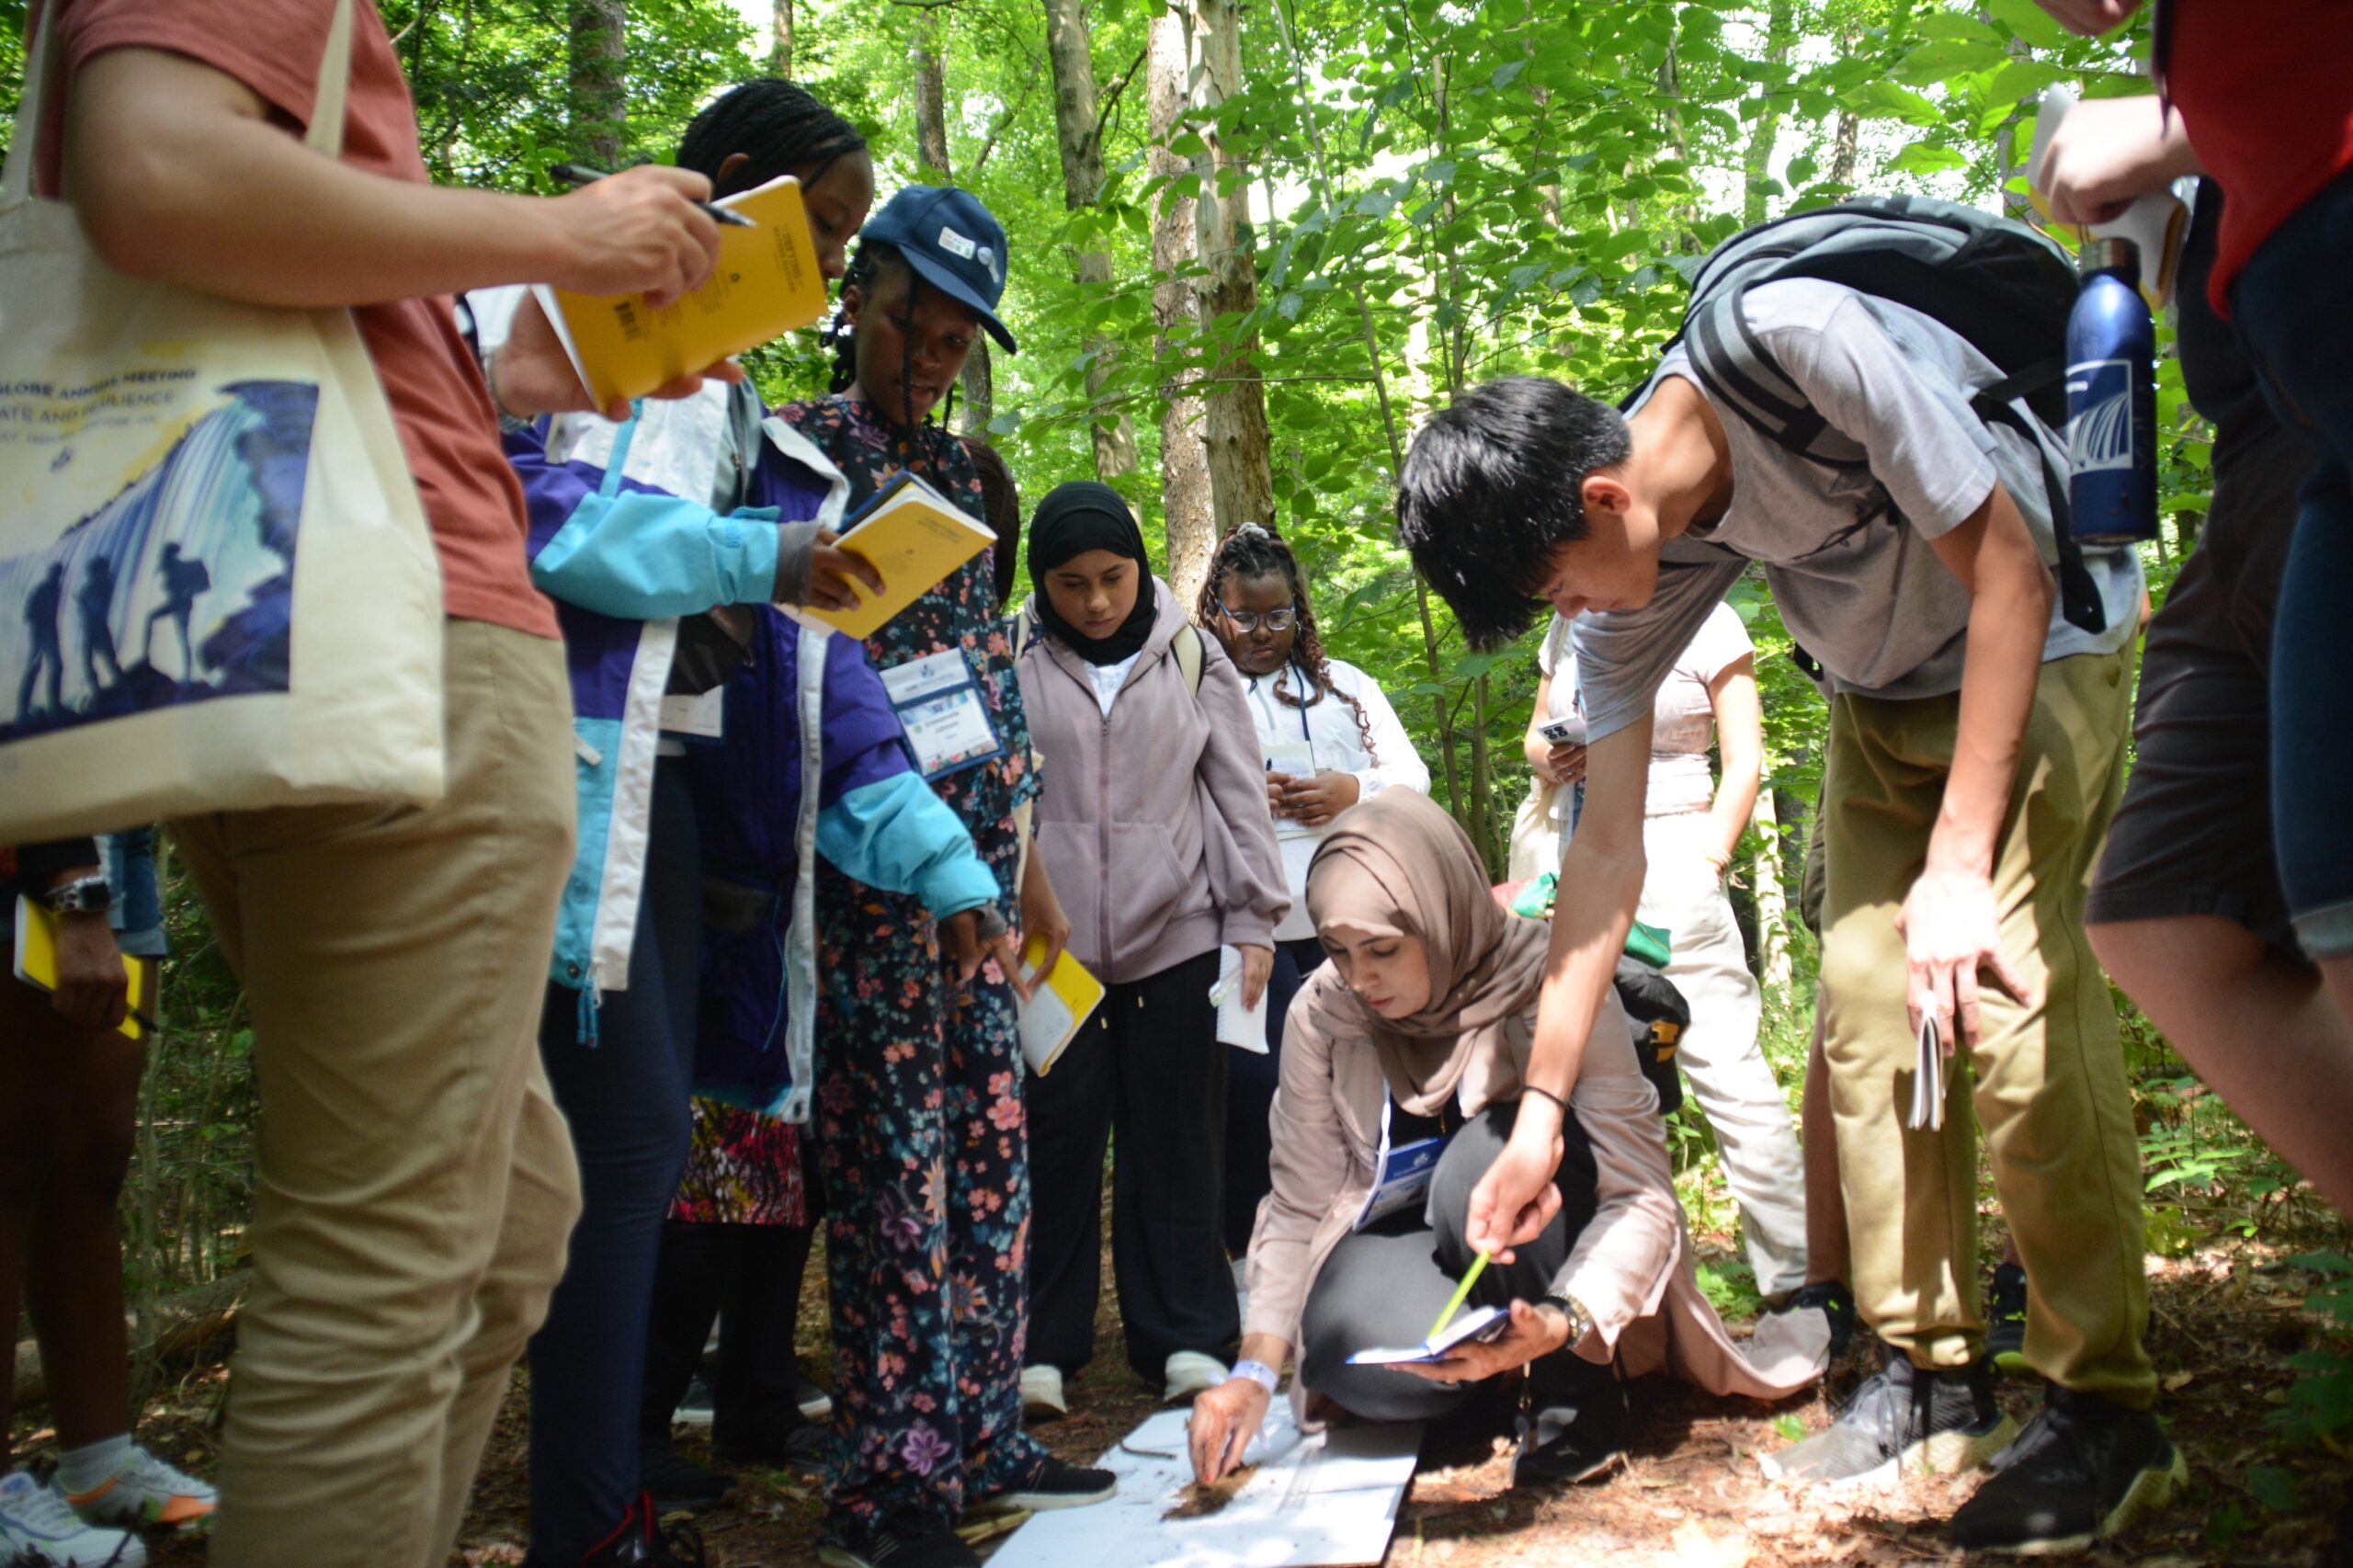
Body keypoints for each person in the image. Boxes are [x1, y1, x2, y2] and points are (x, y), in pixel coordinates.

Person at [40, 0, 740, 1562]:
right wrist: (559, 231)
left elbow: (277, 267)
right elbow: (154, 171)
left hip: (331, 610)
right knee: (388, 1267)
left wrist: (510, 365)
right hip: (401, 640)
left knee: (500, 1233)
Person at [1396, 330, 2165, 1550]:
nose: (1576, 619)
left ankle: (2103, 1403)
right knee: (1863, 1016)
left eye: (1559, 590)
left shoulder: (1801, 348)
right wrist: (1540, 1118)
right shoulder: (1631, 588)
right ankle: (1930, 1374)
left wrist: (1961, 868)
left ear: (1603, 499)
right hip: (1885, 690)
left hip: (2041, 632)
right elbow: (1600, 857)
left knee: (2007, 997)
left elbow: (2012, 571)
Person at [467, 80, 883, 1568]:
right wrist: (752, 558)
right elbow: (538, 515)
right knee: (499, 1176)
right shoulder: (552, 291)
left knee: (630, 1148)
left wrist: (712, 624)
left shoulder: (716, 384)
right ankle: (574, 1513)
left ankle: (597, 1510)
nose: (832, 277)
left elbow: (643, 590)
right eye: (823, 233)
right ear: (732, 186)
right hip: (514, 782)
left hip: (639, 806)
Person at [778, 187, 1108, 1568]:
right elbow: (789, 676)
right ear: (861, 292)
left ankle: (981, 1428)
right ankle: (888, 1479)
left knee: (990, 1154)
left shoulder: (981, 478)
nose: (939, 349)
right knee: (891, 1173)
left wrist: (1025, 868)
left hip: (985, 866)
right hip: (867, 879)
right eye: (921, 316)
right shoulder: (800, 456)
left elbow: (991, 683)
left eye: (965, 331)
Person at [1187, 790, 1819, 1492]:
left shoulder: (1554, 978)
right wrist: (1251, 1369)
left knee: (1481, 1165)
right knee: (1342, 1352)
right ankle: (1476, 1386)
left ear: (1441, 911)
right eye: (1338, 951)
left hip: (1561, 1249)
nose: (1360, 979)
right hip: (1424, 1248)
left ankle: (1575, 1384)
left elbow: (1642, 1192)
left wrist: (1562, 1319)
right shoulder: (1327, 1012)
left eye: (1384, 950)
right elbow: (1300, 1199)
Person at [2029, 49, 2353, 1216]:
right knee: (2159, 910)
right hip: (2254, 446)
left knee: (2342, 912)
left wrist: (2176, 126)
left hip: (2333, 417)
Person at [637, 592, 1046, 1512]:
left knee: (782, 1196)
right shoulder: (768, 531)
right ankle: (633, 1428)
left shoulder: (956, 629)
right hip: (758, 921)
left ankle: (756, 1392)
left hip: (818, 924)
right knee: (708, 1198)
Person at [1014, 481, 1290, 1409]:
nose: (1095, 600)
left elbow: (1236, 790)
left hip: (1177, 930)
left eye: (1113, 577)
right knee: (1053, 1138)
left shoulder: (1188, 650)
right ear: (1040, 580)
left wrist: (1253, 917)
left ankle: (1183, 1337)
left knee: (1177, 1135)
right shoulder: (1008, 653)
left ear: (1138, 565)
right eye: (1071, 582)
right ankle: (1038, 1345)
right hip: (1048, 947)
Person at [1526, 600, 1807, 1303]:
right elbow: (1535, 737)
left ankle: (1799, 1277)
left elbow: (1745, 758)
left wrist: (1709, 859)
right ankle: (1640, 1288)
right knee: (1608, 1072)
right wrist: (1555, 755)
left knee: (1725, 1068)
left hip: (1674, 848)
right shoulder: (1566, 621)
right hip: (1582, 856)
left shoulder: (1706, 617)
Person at [1193, 521, 1428, 1260]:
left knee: (1348, 1087)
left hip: (1340, 926)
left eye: (1280, 615)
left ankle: (1350, 1244)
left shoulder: (1344, 689)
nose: (1264, 634)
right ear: (1214, 612)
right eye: (1245, 616)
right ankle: (1245, 1251)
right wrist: (1235, 793)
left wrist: (1351, 789)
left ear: (1301, 610)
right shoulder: (1193, 689)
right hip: (1242, 930)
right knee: (1252, 1092)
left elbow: (1412, 777)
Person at [1, 834, 216, 1568]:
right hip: (33, 831)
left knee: (92, 1153)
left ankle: (99, 1466)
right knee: (11, 1155)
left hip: (116, 842)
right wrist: (65, 879)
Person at [17, 563, 66, 719]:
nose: (56, 576)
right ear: (50, 573)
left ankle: (54, 706)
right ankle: (23, 711)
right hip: (40, 633)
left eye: (58, 573)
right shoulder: (43, 589)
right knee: (36, 668)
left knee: (54, 667)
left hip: (49, 632)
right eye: (54, 573)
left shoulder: (55, 588)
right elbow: (28, 615)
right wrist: (41, 628)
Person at [74, 555, 121, 693]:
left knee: (102, 660)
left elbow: (97, 607)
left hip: (97, 628)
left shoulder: (102, 585)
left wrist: (84, 602)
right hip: (93, 627)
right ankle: (99, 690)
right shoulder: (98, 585)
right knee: (93, 661)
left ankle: (113, 687)